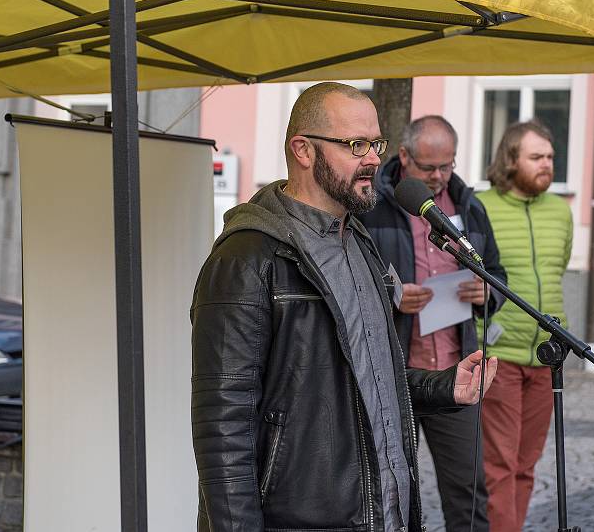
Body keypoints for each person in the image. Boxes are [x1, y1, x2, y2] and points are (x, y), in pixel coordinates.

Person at [190, 82, 498, 532]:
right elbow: (223, 429)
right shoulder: (246, 260)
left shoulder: (360, 244)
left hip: (383, 514)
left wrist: (443, 387)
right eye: (356, 145)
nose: (373, 158)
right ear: (303, 150)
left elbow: (368, 379)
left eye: (376, 143)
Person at [359, 115, 506, 532]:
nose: (439, 176)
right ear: (404, 157)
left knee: (469, 491)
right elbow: (352, 277)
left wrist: (487, 293)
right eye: (428, 168)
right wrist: (392, 295)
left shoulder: (470, 208)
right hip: (394, 372)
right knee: (391, 494)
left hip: (454, 370)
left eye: (447, 166)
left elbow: (495, 271)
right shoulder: (372, 205)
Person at [476, 120, 573, 531]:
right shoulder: (481, 206)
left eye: (550, 157)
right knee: (499, 464)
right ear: (511, 159)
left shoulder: (561, 211)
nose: (547, 165)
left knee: (527, 464)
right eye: (537, 157)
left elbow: (559, 268)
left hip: (548, 355)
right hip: (501, 353)